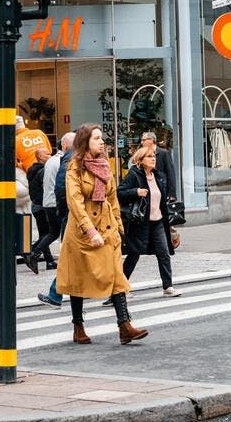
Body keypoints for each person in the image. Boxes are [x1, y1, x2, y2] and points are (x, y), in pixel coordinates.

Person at [56, 124, 149, 345]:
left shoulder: (104, 165)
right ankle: (78, 326)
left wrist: (118, 226)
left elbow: (113, 198)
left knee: (116, 276)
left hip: (107, 229)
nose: (101, 142)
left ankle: (124, 326)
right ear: (85, 141)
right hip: (82, 232)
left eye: (101, 138)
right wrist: (89, 230)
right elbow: (75, 203)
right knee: (77, 278)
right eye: (96, 138)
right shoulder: (74, 168)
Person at [117, 146, 180, 297]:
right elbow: (119, 192)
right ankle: (121, 287)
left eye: (154, 156)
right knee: (134, 254)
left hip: (157, 222)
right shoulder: (134, 175)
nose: (153, 159)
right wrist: (136, 192)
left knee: (163, 253)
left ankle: (168, 286)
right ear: (140, 160)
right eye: (149, 156)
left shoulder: (158, 176)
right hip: (140, 223)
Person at [37, 132, 75, 308]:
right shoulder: (66, 161)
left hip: (62, 209)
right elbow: (61, 189)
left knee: (71, 257)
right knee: (71, 257)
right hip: (68, 210)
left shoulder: (57, 161)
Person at [25, 147, 52, 274]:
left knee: (45, 233)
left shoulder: (32, 170)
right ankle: (31, 252)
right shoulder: (43, 171)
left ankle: (49, 260)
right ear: (40, 157)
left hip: (36, 205)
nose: (50, 156)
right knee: (49, 233)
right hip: (42, 205)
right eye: (47, 154)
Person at [140, 131, 177, 201]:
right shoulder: (142, 154)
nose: (141, 142)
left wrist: (172, 193)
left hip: (162, 189)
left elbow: (170, 173)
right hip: (148, 189)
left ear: (151, 140)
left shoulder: (164, 153)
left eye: (143, 140)